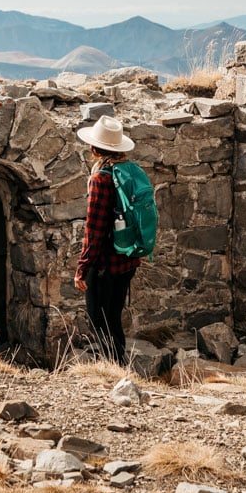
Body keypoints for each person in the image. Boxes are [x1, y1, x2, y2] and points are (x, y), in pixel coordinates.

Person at [74, 115, 141, 365]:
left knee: (96, 317)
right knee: (113, 315)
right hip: (128, 260)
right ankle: (120, 363)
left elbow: (95, 228)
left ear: (93, 149)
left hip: (104, 265)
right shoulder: (129, 172)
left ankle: (112, 366)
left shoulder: (100, 178)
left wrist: (82, 268)